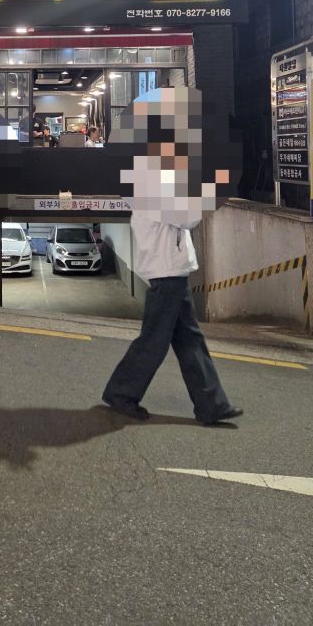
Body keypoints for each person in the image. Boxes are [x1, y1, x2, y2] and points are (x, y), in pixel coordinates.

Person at [101, 88, 242, 426]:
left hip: (171, 270)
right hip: (166, 272)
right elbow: (187, 217)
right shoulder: (153, 182)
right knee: (155, 341)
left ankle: (211, 404)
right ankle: (122, 393)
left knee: (188, 339)